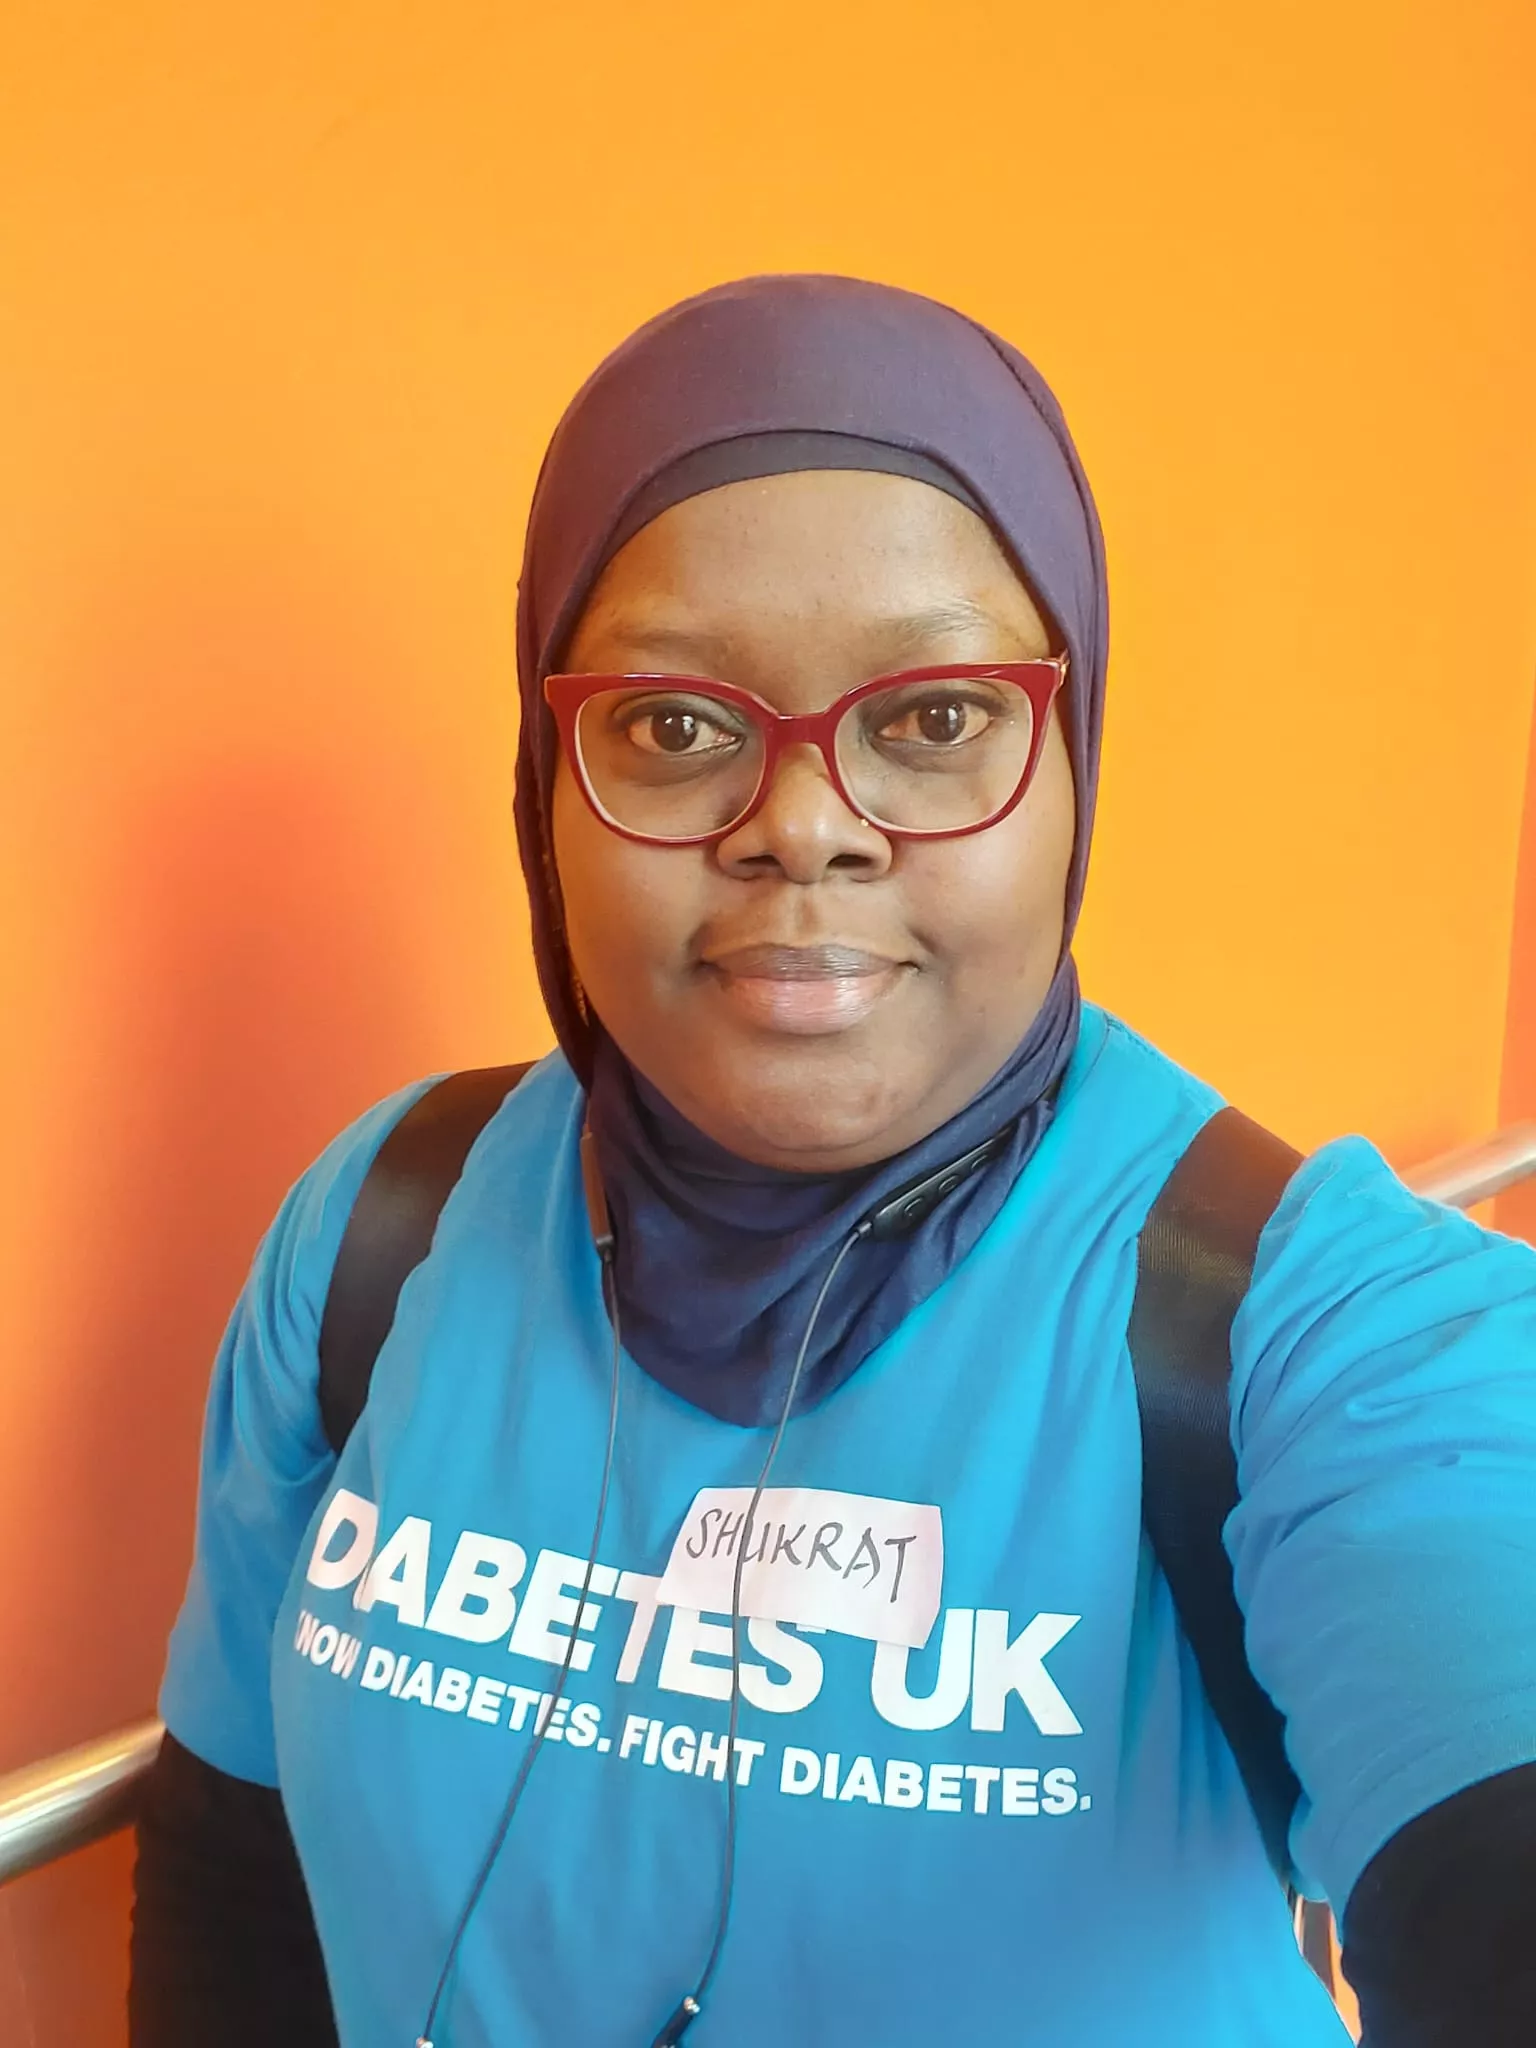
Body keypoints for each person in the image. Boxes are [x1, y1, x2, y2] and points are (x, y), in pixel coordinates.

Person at [131, 275, 1536, 2047]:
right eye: (672, 724)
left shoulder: (1303, 1327)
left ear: (1069, 752)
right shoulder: (384, 1219)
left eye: (934, 719)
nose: (803, 827)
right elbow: (226, 1859)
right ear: (545, 775)